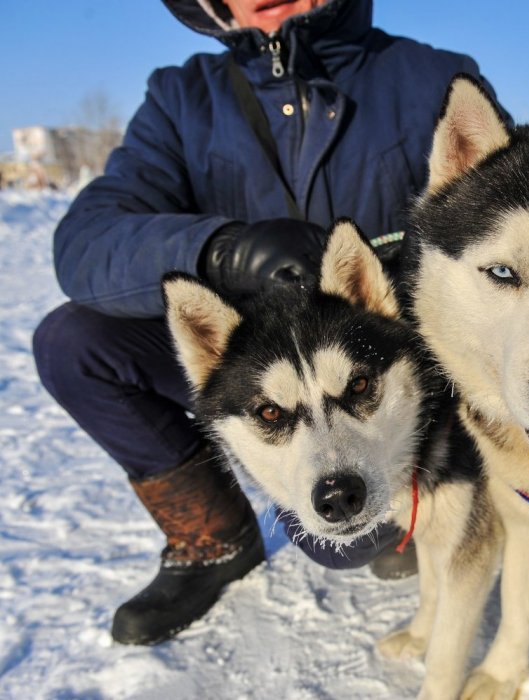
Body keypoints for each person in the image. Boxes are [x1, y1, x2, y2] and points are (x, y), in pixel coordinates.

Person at [32, 0, 504, 646]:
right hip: (261, 367)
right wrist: (222, 250)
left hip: (388, 378)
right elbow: (88, 240)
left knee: (347, 531)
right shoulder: (182, 100)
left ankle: (419, 497)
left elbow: (512, 223)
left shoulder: (430, 80)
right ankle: (214, 535)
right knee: (72, 343)